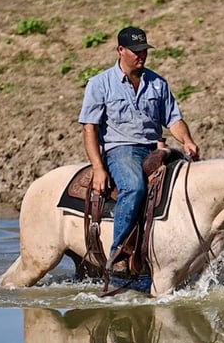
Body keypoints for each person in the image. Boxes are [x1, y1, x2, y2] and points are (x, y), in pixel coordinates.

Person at [78, 26, 200, 274]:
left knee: (191, 184)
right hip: (120, 150)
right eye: (135, 51)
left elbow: (173, 119)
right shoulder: (100, 84)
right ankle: (119, 252)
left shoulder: (158, 83)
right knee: (134, 187)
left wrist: (187, 140)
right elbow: (89, 129)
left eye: (143, 50)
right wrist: (98, 168)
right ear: (120, 50)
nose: (140, 55)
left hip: (155, 148)